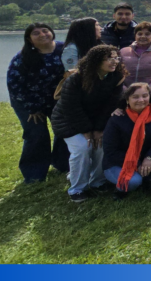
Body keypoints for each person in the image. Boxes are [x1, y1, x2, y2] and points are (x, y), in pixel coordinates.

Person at [51, 45, 126, 202]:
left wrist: (99, 129)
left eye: (116, 58)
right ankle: (77, 188)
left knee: (102, 145)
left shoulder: (116, 77)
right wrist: (86, 130)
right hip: (68, 121)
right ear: (97, 61)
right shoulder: (76, 78)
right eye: (110, 58)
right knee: (83, 148)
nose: (115, 61)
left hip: (96, 121)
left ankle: (97, 182)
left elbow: (111, 105)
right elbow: (71, 107)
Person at [7, 23, 68, 182]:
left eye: (45, 30)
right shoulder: (22, 58)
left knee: (63, 131)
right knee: (37, 135)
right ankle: (34, 174)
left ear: (52, 32)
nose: (42, 34)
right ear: (29, 39)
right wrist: (32, 108)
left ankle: (62, 164)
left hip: (58, 101)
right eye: (36, 33)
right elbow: (14, 85)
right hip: (28, 103)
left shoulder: (65, 50)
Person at [102, 83, 151, 199]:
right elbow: (109, 150)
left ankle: (150, 177)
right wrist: (137, 163)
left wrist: (149, 157)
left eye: (144, 96)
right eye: (135, 97)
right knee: (133, 182)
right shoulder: (117, 118)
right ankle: (120, 188)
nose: (141, 100)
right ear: (127, 99)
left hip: (146, 156)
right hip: (118, 161)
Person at [119, 22, 151, 86]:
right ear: (135, 36)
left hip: (149, 92)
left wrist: (150, 90)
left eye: (147, 34)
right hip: (125, 92)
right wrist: (124, 89)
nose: (143, 36)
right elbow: (118, 73)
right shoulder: (123, 51)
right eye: (140, 34)